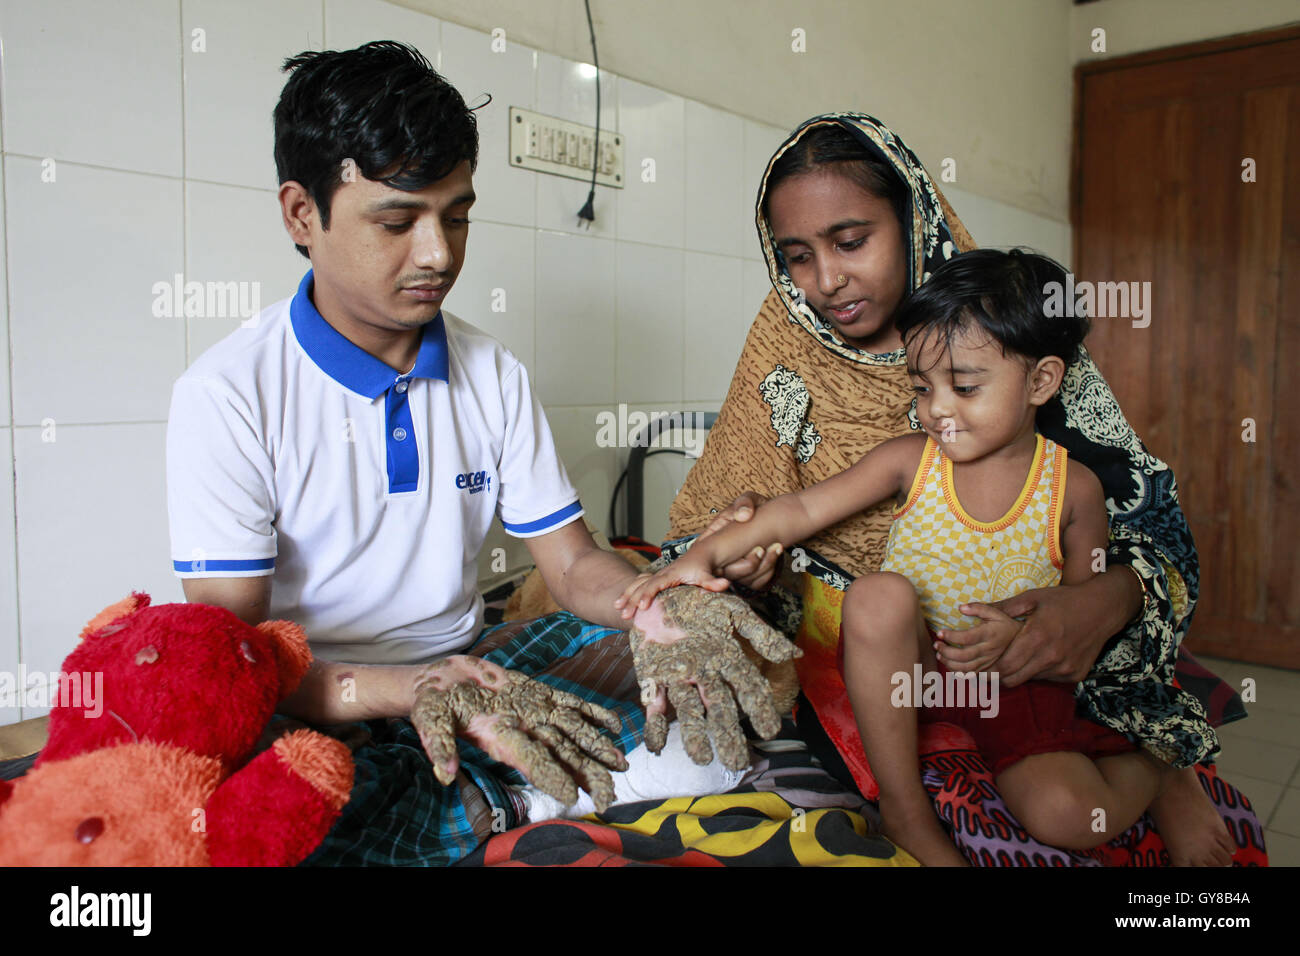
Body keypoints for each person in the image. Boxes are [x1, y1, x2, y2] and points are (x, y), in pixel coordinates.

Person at [164, 41, 788, 865]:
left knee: (708, 662)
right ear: (300, 214)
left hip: (477, 666)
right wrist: (412, 692)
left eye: (456, 216)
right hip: (325, 701)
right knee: (251, 813)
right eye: (398, 221)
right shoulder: (229, 394)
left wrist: (649, 608)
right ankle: (511, 786)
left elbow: (569, 568)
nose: (438, 254)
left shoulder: (492, 373)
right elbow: (234, 665)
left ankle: (495, 784)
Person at [665, 113, 1231, 866]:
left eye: (851, 241)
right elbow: (745, 510)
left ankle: (1165, 770)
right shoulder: (784, 338)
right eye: (797, 255)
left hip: (1022, 629)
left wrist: (1092, 604)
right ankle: (908, 809)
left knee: (1089, 739)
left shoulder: (1007, 326)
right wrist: (729, 561)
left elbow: (1145, 533)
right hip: (870, 633)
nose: (825, 281)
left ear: (909, 218)